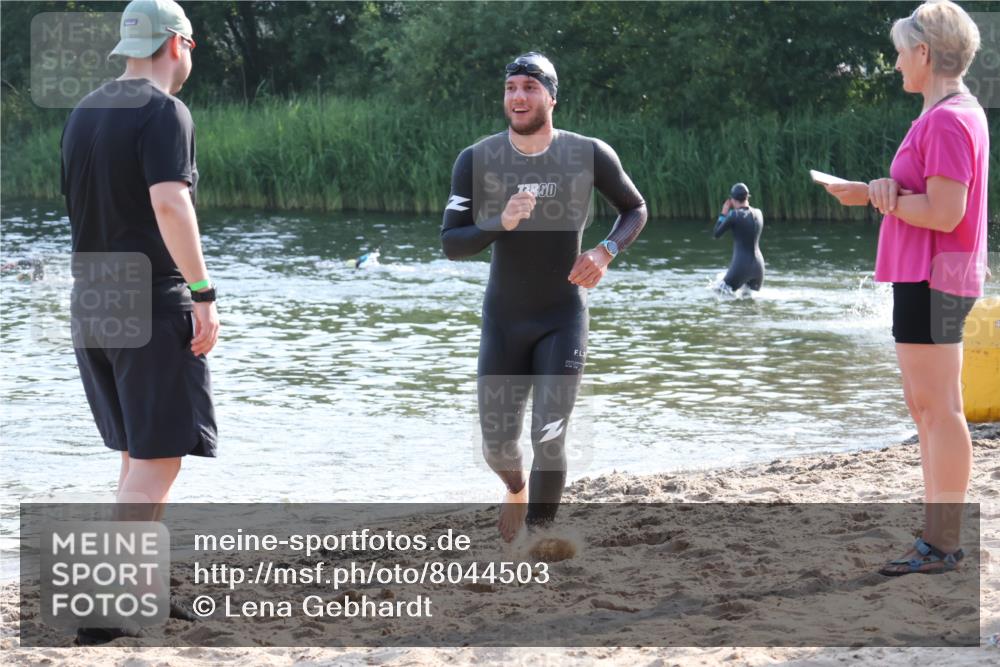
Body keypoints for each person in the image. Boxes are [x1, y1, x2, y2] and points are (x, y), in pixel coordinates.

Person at [441, 52, 647, 542]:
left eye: (530, 88)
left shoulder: (588, 153)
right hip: (504, 320)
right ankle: (516, 489)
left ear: (552, 97)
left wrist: (605, 250)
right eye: (511, 87)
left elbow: (634, 208)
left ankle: (540, 536)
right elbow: (452, 243)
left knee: (549, 436)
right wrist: (500, 222)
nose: (518, 96)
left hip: (562, 316)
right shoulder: (477, 159)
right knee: (498, 446)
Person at [823, 0, 987, 575]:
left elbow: (946, 212)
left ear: (924, 52)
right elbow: (934, 201)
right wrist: (882, 189)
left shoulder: (946, 118)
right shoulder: (950, 113)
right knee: (928, 409)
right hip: (933, 274)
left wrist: (870, 194)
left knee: (938, 410)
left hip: (933, 275)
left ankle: (942, 545)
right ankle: (936, 538)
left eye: (899, 53)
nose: (895, 65)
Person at [712, 182, 764, 292]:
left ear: (732, 200)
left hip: (741, 266)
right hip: (759, 266)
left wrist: (723, 213)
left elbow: (716, 234)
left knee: (719, 292)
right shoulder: (759, 213)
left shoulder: (734, 215)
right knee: (750, 300)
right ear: (747, 197)